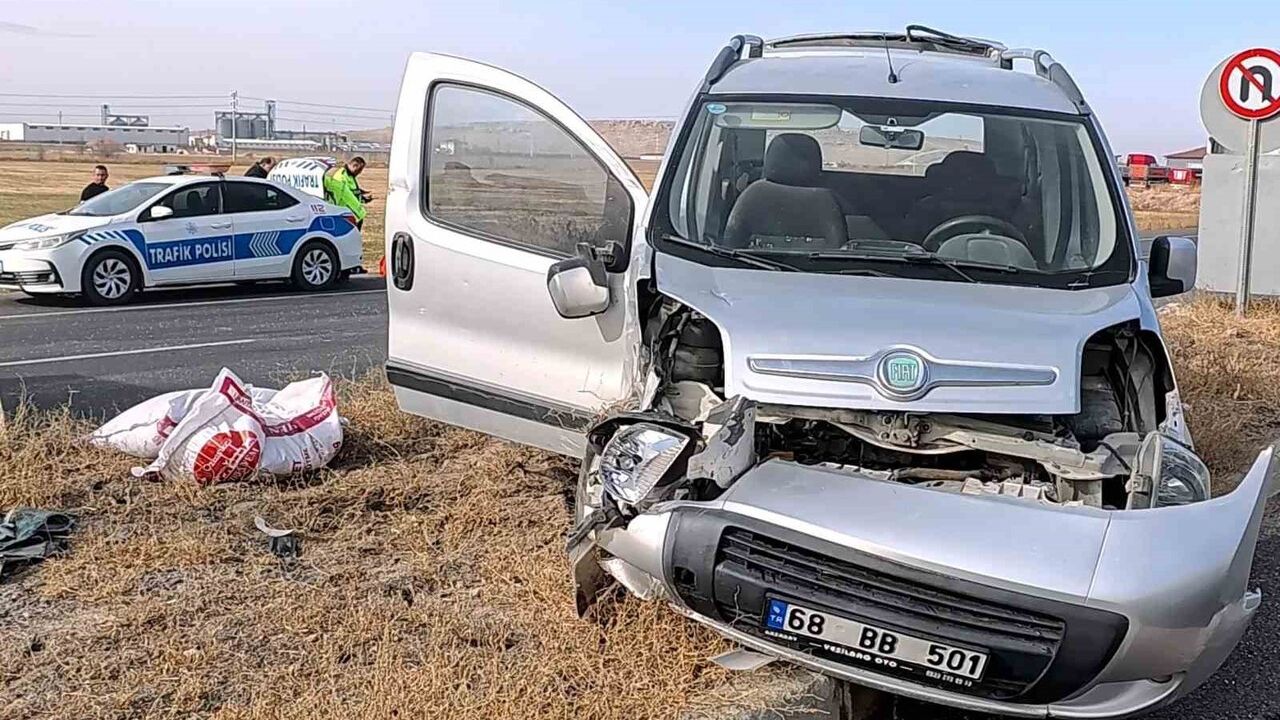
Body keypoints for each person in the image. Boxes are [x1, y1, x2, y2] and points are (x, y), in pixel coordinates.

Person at [323, 157, 370, 229]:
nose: (360, 172)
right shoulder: (341, 177)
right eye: (360, 169)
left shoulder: (349, 176)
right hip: (346, 215)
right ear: (355, 166)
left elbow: (352, 190)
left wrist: (362, 197)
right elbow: (344, 196)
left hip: (354, 214)